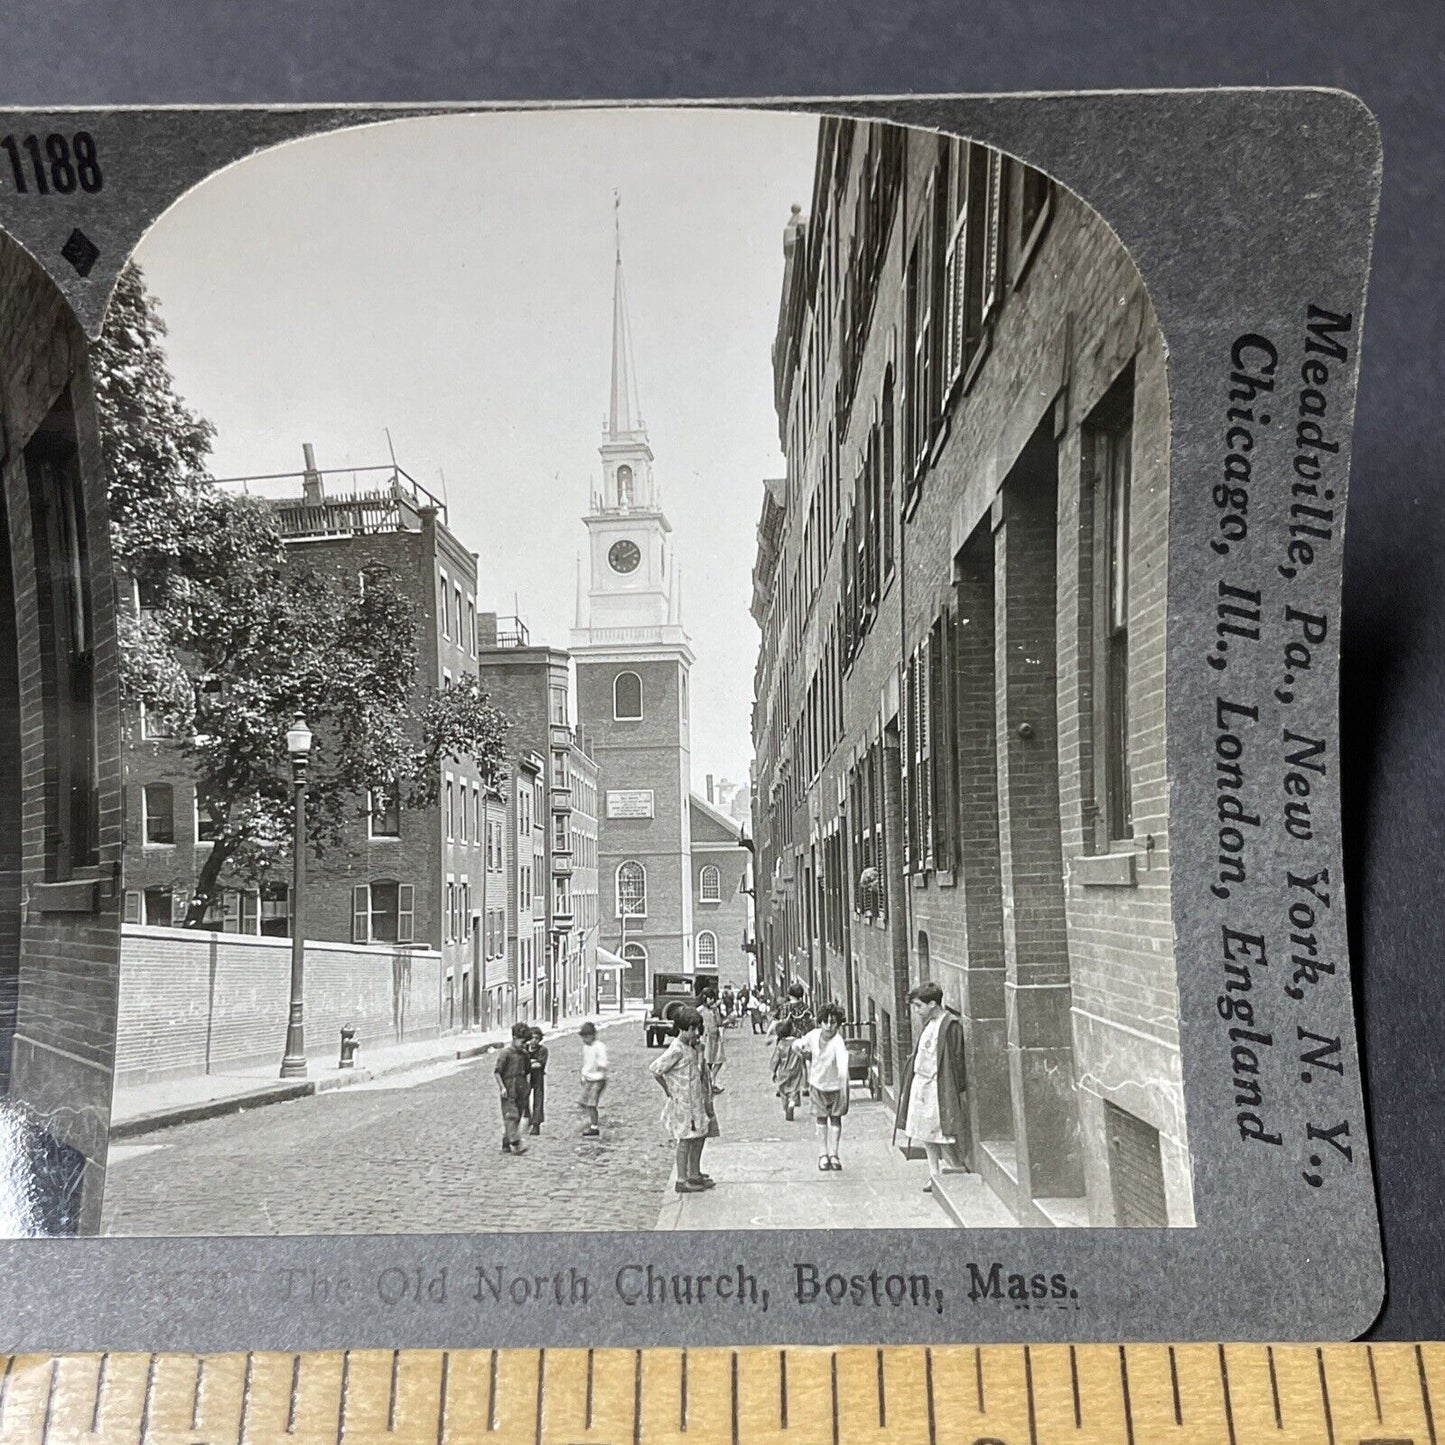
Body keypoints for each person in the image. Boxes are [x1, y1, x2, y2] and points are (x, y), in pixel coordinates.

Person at [895, 982, 970, 1192]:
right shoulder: (929, 1023)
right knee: (925, 1133)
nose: (917, 1011)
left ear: (933, 1003)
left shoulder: (949, 1025)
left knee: (942, 1131)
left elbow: (956, 1059)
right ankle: (934, 1174)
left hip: (938, 1085)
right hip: (922, 1085)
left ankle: (957, 1167)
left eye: (919, 1006)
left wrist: (954, 1087)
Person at [649, 1006, 716, 1193]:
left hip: (695, 1100)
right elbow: (655, 1069)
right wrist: (668, 1090)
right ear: (682, 1028)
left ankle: (694, 1173)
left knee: (700, 1135)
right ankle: (681, 1179)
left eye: (697, 1029)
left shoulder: (691, 1047)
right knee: (685, 1139)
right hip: (684, 1102)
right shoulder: (676, 1049)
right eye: (692, 1029)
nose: (696, 1033)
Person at [795, 1002, 852, 1170]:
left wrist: (843, 1081)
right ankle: (823, 1154)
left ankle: (834, 1154)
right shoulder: (813, 1035)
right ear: (820, 1022)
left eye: (833, 1022)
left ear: (838, 1024)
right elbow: (799, 1043)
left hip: (836, 1087)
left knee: (835, 1119)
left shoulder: (838, 1042)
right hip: (817, 1084)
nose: (829, 1026)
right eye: (825, 1021)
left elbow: (842, 1062)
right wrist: (799, 1049)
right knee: (820, 1119)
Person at [494, 1022, 532, 1154]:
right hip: (508, 1089)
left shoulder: (525, 1055)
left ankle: (506, 1143)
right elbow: (497, 1072)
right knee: (512, 1116)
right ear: (514, 1038)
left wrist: (527, 1089)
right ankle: (517, 1143)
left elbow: (527, 1071)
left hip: (521, 1089)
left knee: (517, 1116)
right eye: (522, 1042)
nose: (524, 1045)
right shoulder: (506, 1054)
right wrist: (502, 1087)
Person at [769, 1016, 807, 1121]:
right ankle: (792, 1102)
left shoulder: (780, 1045)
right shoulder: (797, 1042)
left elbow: (776, 1059)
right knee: (794, 1089)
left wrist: (773, 1071)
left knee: (783, 1091)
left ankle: (787, 1106)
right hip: (795, 1069)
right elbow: (803, 1053)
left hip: (783, 1071)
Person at [577, 1021, 609, 1137]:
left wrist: (600, 1065)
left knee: (591, 1103)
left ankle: (594, 1127)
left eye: (587, 1036)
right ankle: (590, 1120)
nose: (585, 1039)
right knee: (583, 1102)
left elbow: (603, 1062)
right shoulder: (586, 1048)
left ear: (593, 1035)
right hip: (589, 1079)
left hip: (598, 1079)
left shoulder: (599, 1046)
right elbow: (586, 1063)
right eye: (583, 1037)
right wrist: (583, 1075)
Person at [698, 987, 726, 1093]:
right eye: (710, 998)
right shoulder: (700, 1010)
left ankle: (711, 1080)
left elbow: (719, 1023)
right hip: (706, 1038)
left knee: (719, 1061)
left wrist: (716, 1012)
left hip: (716, 1037)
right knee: (707, 1062)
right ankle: (708, 1084)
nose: (712, 1000)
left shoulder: (715, 1009)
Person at [526, 1025, 549, 1135]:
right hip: (525, 1076)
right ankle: (526, 1118)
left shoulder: (543, 1050)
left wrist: (529, 1063)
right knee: (523, 1097)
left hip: (537, 1076)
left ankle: (536, 1124)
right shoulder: (524, 1049)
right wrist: (532, 1063)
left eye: (537, 1038)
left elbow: (540, 1064)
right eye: (532, 1038)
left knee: (538, 1098)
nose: (534, 1041)